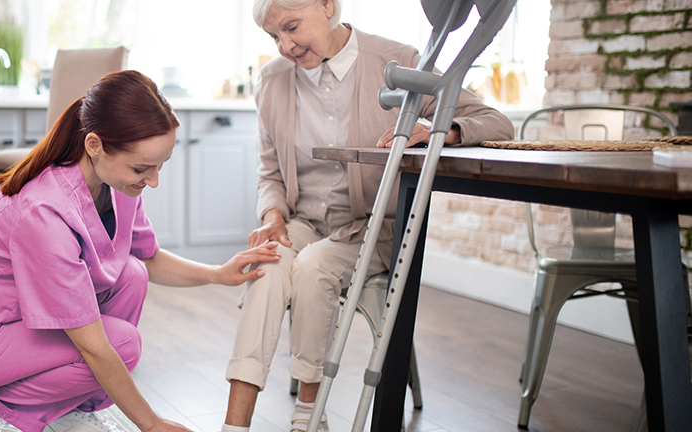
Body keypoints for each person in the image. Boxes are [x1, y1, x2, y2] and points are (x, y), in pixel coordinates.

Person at [0, 70, 281, 432]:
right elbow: (96, 348)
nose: (153, 181)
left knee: (131, 274)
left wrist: (217, 274)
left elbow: (147, 258)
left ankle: (67, 410)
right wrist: (151, 424)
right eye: (142, 168)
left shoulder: (116, 185)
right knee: (121, 344)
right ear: (95, 145)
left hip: (9, 320)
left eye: (160, 166)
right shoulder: (46, 212)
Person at [221, 1, 516, 431]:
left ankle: (308, 415)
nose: (284, 46)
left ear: (327, 5)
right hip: (303, 223)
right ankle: (235, 425)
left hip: (371, 228)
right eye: (273, 37)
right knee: (265, 269)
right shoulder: (272, 80)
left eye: (291, 27)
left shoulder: (399, 61)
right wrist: (272, 214)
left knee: (312, 267)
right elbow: (270, 171)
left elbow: (494, 121)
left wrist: (442, 130)